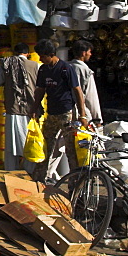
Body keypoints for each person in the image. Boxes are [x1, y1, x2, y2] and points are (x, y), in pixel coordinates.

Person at [31, 39, 87, 183]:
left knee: (70, 151)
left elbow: (78, 91)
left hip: (66, 114)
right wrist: (34, 107)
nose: (41, 59)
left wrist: (82, 115)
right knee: (45, 147)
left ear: (51, 54)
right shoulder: (43, 70)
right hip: (51, 114)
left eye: (42, 56)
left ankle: (75, 184)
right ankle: (39, 180)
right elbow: (40, 90)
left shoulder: (65, 68)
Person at [0, 42, 40, 172]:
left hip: (13, 110)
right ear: (27, 54)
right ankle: (29, 172)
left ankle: (11, 172)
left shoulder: (7, 63)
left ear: (14, 52)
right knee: (30, 143)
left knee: (11, 147)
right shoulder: (36, 66)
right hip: (31, 111)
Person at [69, 40, 103, 125]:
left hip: (65, 111)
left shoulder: (66, 67)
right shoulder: (85, 71)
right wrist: (97, 119)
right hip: (82, 114)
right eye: (89, 52)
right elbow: (91, 98)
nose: (90, 54)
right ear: (83, 53)